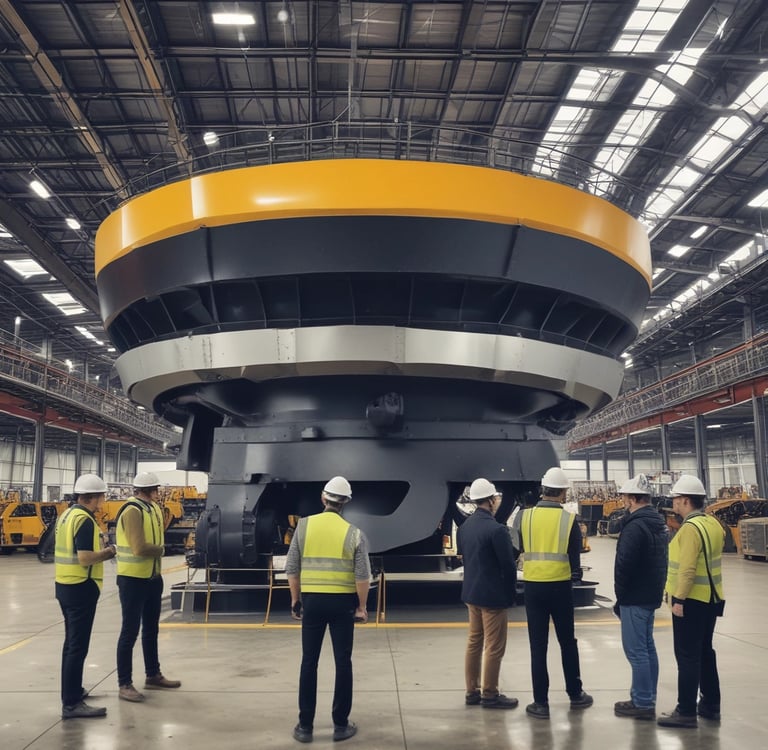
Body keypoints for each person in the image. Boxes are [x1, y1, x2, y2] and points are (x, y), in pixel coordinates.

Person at [287, 476, 371, 743]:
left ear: (323, 499)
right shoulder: (354, 533)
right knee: (343, 663)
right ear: (345, 502)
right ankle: (340, 725)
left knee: (308, 662)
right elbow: (362, 576)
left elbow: (292, 567)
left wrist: (295, 599)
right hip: (342, 605)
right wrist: (362, 607)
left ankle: (305, 727)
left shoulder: (303, 526)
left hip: (312, 603)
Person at [520, 466, 593, 719]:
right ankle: (575, 693)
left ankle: (541, 703)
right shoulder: (569, 520)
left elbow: (516, 548)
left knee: (538, 646)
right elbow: (575, 559)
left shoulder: (524, 517)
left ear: (542, 489)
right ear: (562, 493)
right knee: (567, 642)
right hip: (561, 588)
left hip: (532, 588)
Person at [658, 474, 725, 729]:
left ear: (685, 500)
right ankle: (710, 704)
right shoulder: (712, 524)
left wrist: (678, 600)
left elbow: (686, 569)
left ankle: (685, 711)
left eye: (676, 499)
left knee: (686, 656)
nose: (673, 503)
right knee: (705, 652)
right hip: (712, 599)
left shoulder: (689, 529)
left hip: (691, 601)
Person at [115, 471, 181, 702]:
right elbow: (139, 548)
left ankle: (153, 674)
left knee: (151, 629)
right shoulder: (132, 510)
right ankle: (124, 684)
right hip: (133, 580)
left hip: (152, 577)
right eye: (156, 488)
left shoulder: (151, 508)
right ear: (149, 490)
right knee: (129, 632)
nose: (159, 492)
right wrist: (164, 550)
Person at [55, 473, 116, 719]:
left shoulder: (66, 515)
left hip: (65, 585)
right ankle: (71, 704)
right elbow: (84, 558)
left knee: (71, 644)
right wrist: (109, 552)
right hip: (81, 586)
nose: (103, 500)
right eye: (102, 496)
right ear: (95, 497)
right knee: (77, 646)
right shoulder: (85, 519)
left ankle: (72, 691)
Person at [457, 478, 519, 709]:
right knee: (494, 646)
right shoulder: (497, 530)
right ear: (492, 500)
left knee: (474, 642)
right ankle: (490, 694)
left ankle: (471, 691)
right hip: (493, 597)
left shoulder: (465, 528)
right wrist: (511, 593)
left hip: (471, 593)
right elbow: (509, 566)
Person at [613, 474, 668, 720]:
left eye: (625, 496)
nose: (623, 501)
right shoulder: (657, 522)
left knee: (636, 651)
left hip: (634, 596)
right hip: (650, 593)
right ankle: (646, 696)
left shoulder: (635, 526)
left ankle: (643, 703)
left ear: (634, 498)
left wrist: (620, 596)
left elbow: (624, 565)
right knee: (646, 648)